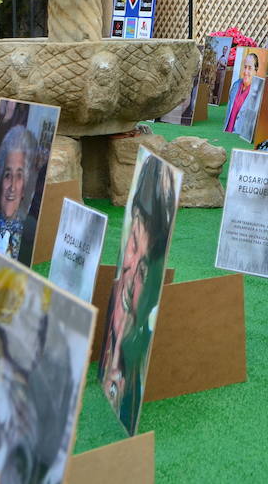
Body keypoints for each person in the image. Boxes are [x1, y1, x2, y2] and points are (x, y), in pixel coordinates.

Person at [100, 156, 178, 434]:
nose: (131, 272)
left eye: (144, 271)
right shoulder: (107, 332)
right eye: (133, 245)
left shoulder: (137, 370)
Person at [0, 126, 39, 262]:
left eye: (19, 176)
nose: (12, 187)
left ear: (25, 187)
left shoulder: (31, 233)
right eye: (7, 175)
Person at [224, 51, 262, 139]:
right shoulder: (236, 85)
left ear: (256, 71)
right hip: (226, 134)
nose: (246, 71)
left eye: (250, 68)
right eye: (245, 67)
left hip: (241, 138)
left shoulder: (257, 92)